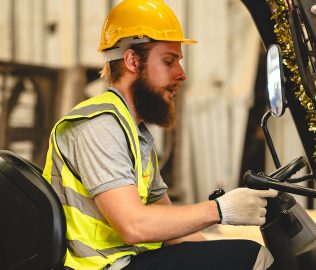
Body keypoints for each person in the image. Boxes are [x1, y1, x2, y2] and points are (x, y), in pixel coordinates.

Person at [43, 0, 278, 269]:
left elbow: (172, 228)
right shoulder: (98, 126)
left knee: (241, 256)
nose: (182, 74)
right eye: (169, 61)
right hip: (105, 267)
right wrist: (221, 210)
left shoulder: (133, 132)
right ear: (132, 60)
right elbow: (134, 225)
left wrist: (215, 253)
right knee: (250, 256)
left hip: (129, 261)